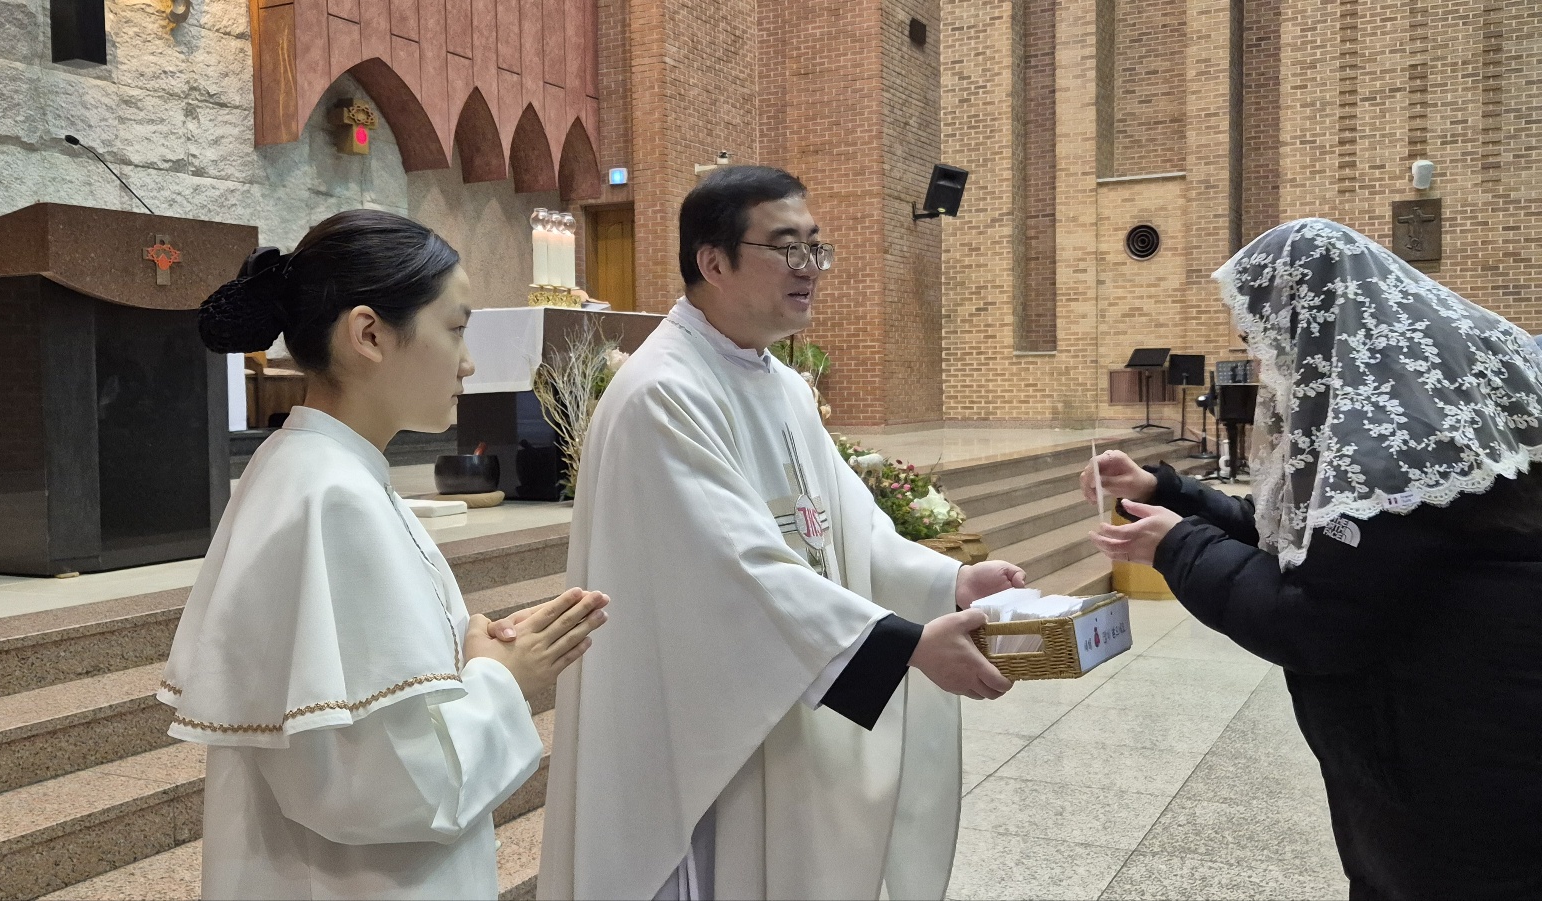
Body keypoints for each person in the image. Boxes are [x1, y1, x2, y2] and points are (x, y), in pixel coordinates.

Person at [536, 166, 1027, 901]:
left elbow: (847, 526)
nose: (809, 268)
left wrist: (947, 582)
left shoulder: (783, 383)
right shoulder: (663, 393)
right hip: (703, 732)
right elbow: (738, 571)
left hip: (781, 701)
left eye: (815, 247)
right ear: (713, 262)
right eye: (787, 247)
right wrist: (904, 645)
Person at [1084, 218, 1542, 899]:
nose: (1265, 365)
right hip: (1435, 746)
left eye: (1266, 342)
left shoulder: (1397, 448)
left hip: (1458, 767)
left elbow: (1316, 619)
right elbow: (1304, 544)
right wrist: (1166, 491)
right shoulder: (1420, 417)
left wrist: (1177, 546)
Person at [159, 210, 609, 900]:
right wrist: (502, 678)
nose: (468, 361)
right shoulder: (332, 496)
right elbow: (381, 785)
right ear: (369, 334)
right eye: (454, 329)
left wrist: (465, 653)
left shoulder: (315, 467)